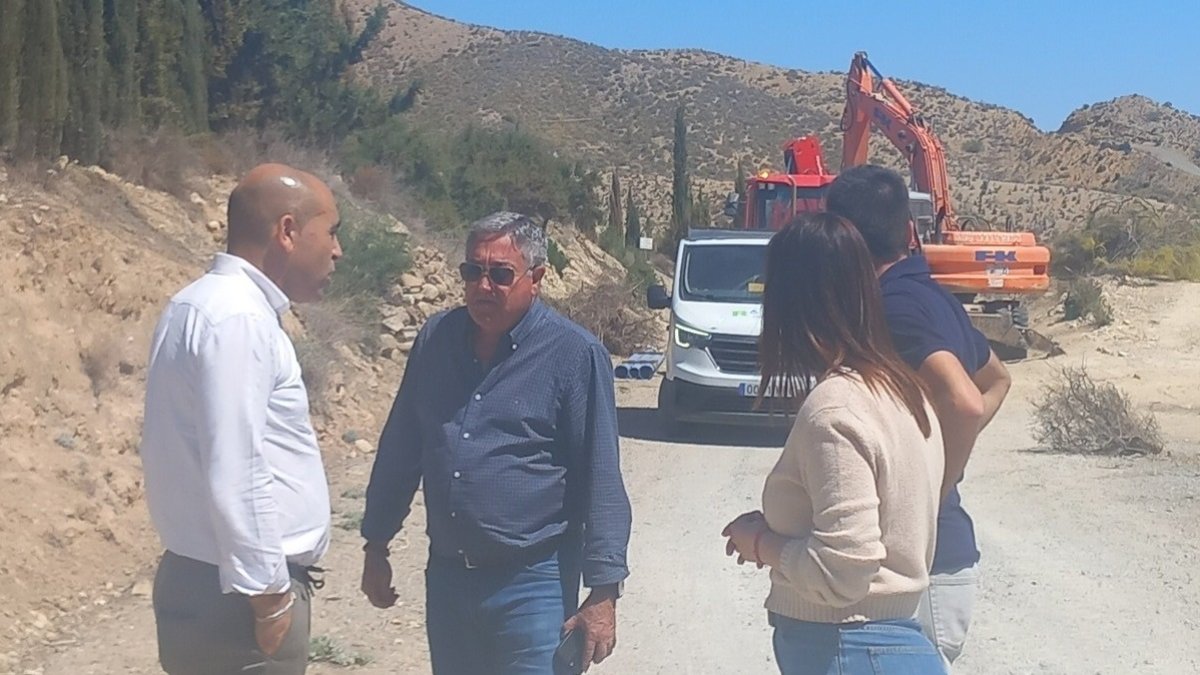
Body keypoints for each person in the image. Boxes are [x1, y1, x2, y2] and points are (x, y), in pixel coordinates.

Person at [359, 211, 632, 675]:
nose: (483, 286)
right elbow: (401, 448)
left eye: (500, 274)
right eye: (473, 271)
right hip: (448, 580)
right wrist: (376, 542)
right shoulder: (436, 341)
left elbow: (601, 475)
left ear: (537, 278)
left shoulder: (573, 355)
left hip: (532, 585)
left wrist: (603, 593)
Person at [139, 163, 343, 674]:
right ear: (289, 231)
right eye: (332, 232)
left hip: (204, 580)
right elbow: (237, 466)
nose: (337, 251)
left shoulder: (195, 305)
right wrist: (270, 597)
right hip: (236, 602)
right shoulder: (240, 320)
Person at [722, 212, 947, 675]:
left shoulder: (835, 409)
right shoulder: (903, 390)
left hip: (849, 649)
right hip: (888, 644)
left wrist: (761, 543)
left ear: (791, 302)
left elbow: (845, 570)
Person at [826, 164, 1012, 670]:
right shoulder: (932, 296)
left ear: (841, 240)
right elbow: (996, 378)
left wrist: (933, 483)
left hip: (924, 565)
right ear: (908, 230)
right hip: (939, 561)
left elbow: (966, 401)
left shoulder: (896, 307)